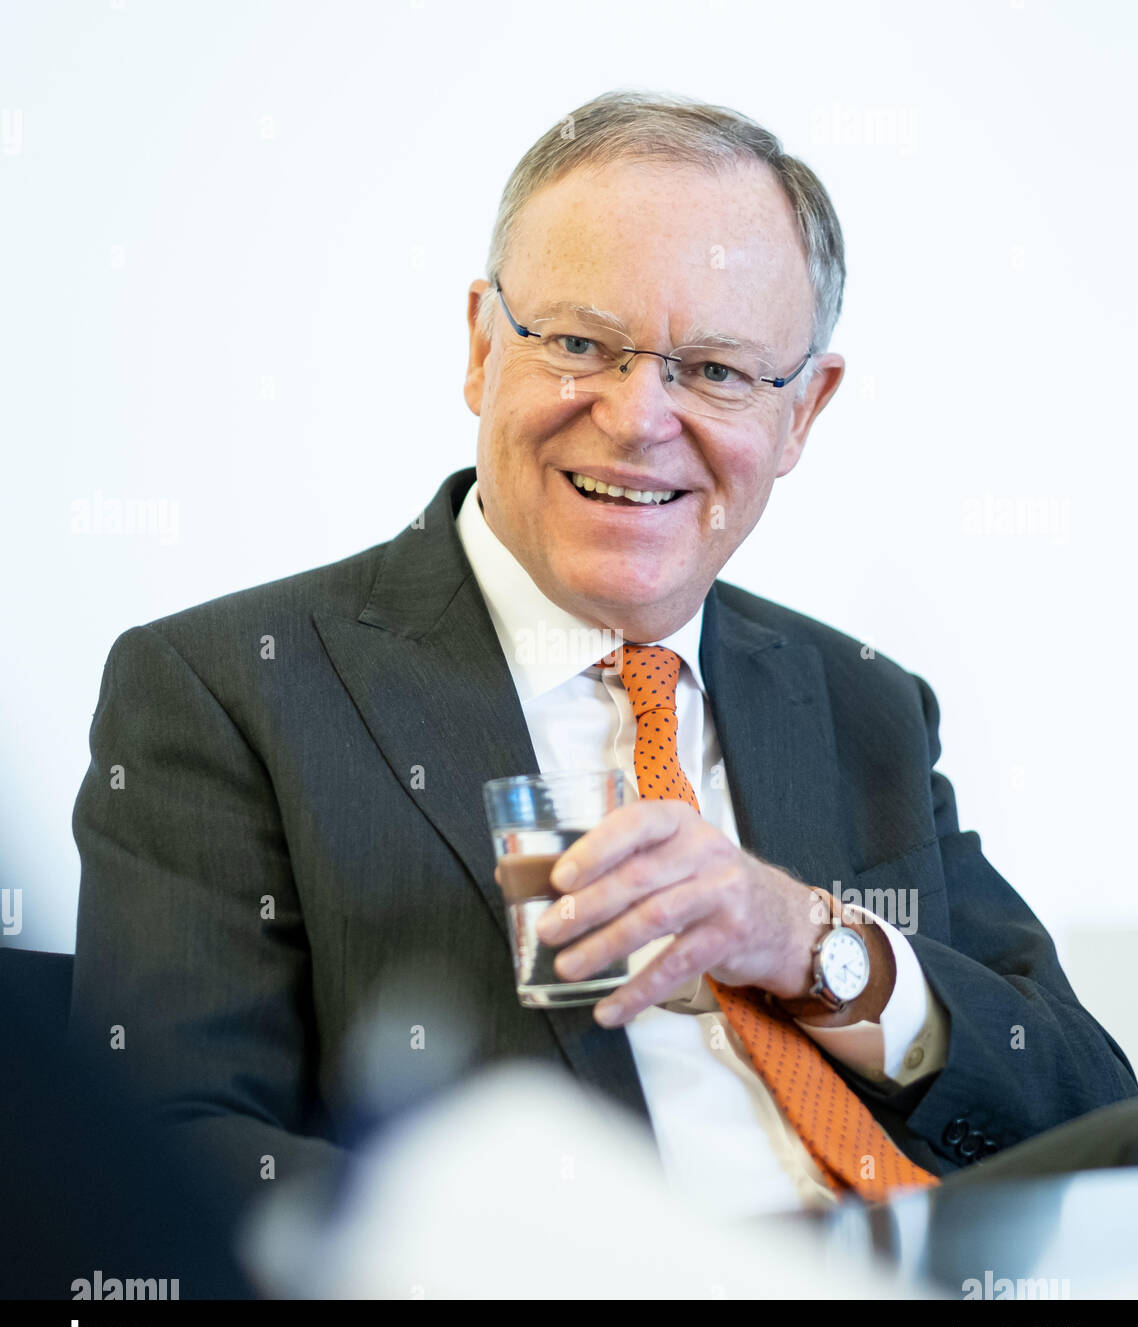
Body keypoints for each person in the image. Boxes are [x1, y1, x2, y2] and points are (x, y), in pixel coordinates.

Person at [70, 90, 1136, 1233]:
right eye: (579, 343)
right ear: (483, 348)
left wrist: (811, 943)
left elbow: (1088, 1111)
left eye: (718, 370)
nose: (637, 418)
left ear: (803, 414)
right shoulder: (231, 689)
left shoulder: (859, 700)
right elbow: (161, 1158)